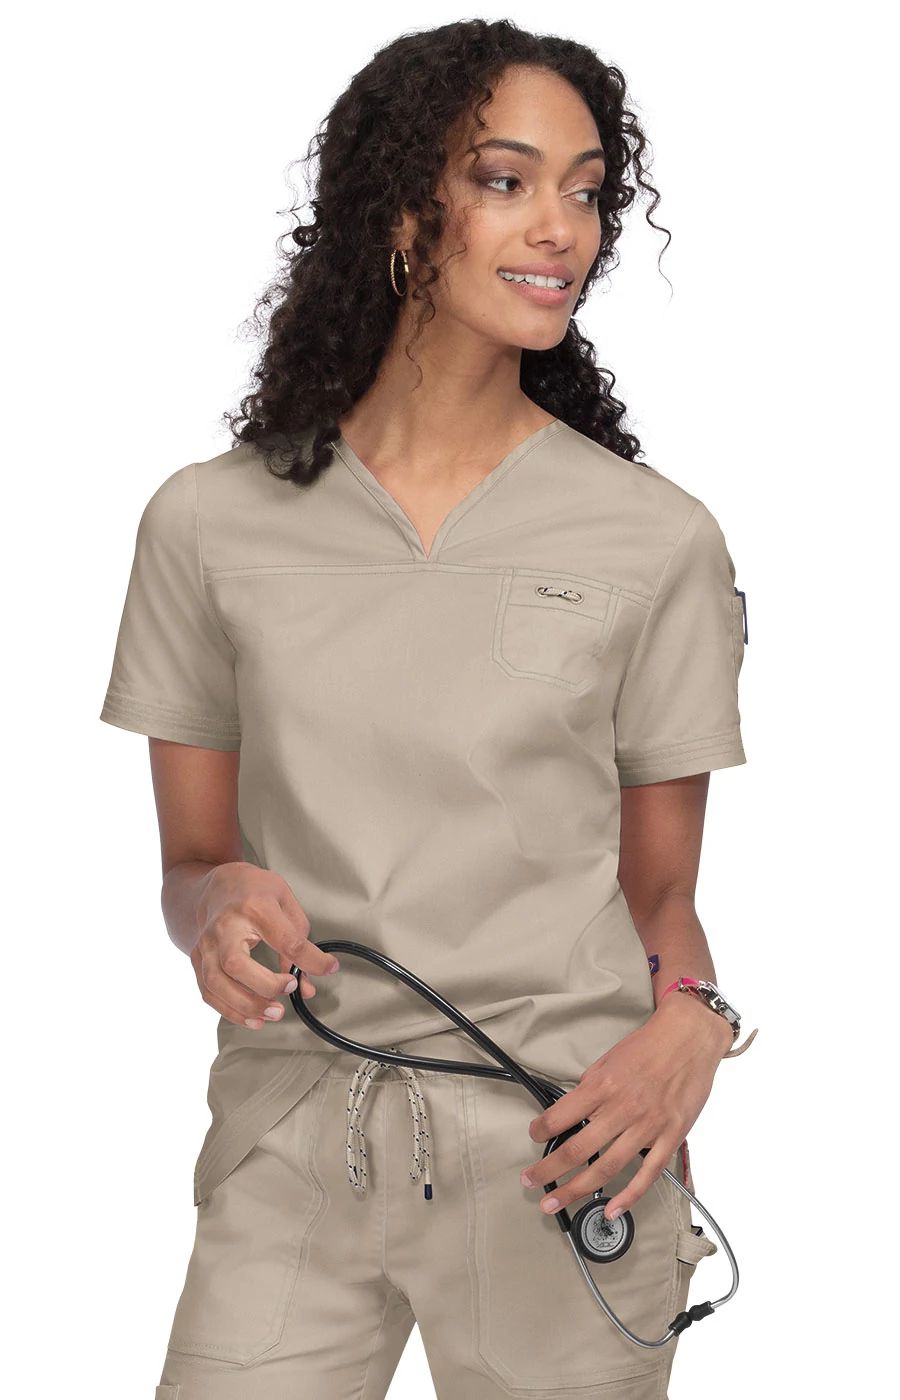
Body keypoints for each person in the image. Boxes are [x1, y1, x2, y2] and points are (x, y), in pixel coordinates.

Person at [100, 19, 756, 1400]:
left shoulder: (655, 539)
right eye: (506, 181)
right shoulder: (208, 523)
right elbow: (189, 865)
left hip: (562, 1148)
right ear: (403, 210)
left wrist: (690, 1026)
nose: (562, 229)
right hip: (289, 1139)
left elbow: (661, 895)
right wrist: (212, 906)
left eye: (587, 190)